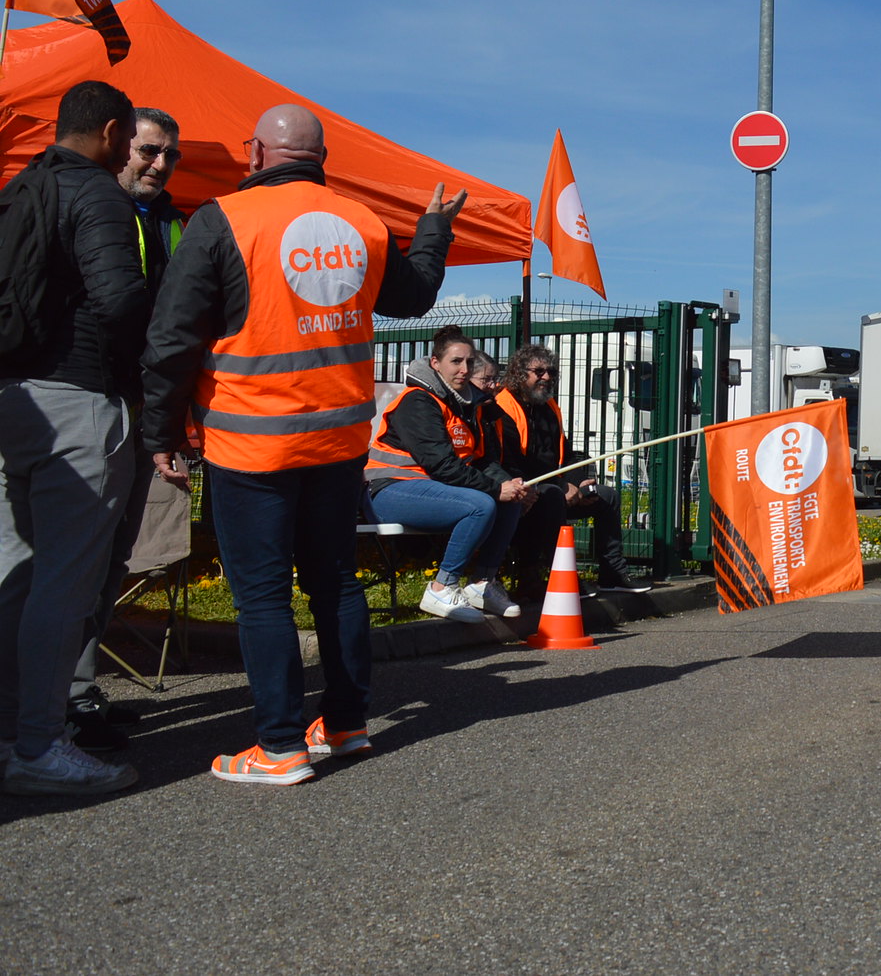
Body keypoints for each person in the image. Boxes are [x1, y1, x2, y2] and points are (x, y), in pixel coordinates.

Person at [141, 104, 461, 785]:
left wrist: (159, 430)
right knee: (334, 583)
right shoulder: (363, 224)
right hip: (338, 445)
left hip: (250, 446)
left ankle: (281, 745)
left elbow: (172, 340)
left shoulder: (221, 220)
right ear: (322, 159)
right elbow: (415, 298)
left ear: (254, 153)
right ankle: (345, 725)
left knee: (261, 596)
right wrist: (433, 230)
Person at [0, 82, 148, 796]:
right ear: (114, 132)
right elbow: (119, 297)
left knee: (16, 577)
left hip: (14, 400)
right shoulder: (98, 195)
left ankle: (11, 734)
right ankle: (40, 745)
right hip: (80, 400)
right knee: (65, 585)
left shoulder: (23, 184)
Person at [66, 106, 194, 752]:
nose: (159, 165)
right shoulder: (93, 209)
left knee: (114, 555)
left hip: (146, 412)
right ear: (120, 146)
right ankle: (55, 701)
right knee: (79, 556)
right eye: (149, 151)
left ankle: (80, 690)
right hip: (95, 404)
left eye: (170, 155)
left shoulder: (174, 223)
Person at [363, 326, 529, 622]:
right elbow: (442, 465)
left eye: (469, 362)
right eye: (456, 362)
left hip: (431, 488)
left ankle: (482, 584)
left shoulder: (468, 405)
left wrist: (506, 483)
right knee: (481, 505)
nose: (464, 369)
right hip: (389, 490)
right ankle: (442, 586)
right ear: (435, 364)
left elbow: (477, 460)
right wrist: (493, 489)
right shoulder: (417, 401)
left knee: (510, 499)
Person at [494, 343, 648, 600]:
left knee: (606, 496)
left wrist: (578, 481)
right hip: (525, 487)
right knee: (553, 496)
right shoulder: (503, 407)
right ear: (520, 373)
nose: (546, 377)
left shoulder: (549, 407)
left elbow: (568, 453)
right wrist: (562, 485)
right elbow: (511, 464)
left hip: (556, 485)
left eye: (552, 372)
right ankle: (558, 578)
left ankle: (613, 575)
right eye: (539, 371)